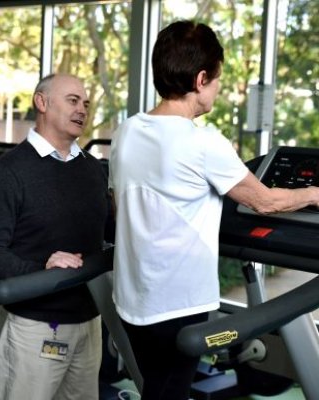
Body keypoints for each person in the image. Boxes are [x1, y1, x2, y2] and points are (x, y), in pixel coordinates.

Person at [108, 20, 319, 400]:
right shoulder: (203, 142)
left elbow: (119, 202)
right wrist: (313, 193)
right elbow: (265, 200)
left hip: (133, 302)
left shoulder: (127, 131)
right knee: (170, 389)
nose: (218, 89)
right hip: (178, 306)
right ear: (201, 78)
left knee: (157, 385)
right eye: (218, 78)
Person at [0, 73, 109, 400]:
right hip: (35, 326)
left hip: (89, 322)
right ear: (42, 102)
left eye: (86, 103)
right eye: (73, 101)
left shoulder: (93, 170)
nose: (82, 110)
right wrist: (40, 267)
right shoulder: (7, 172)